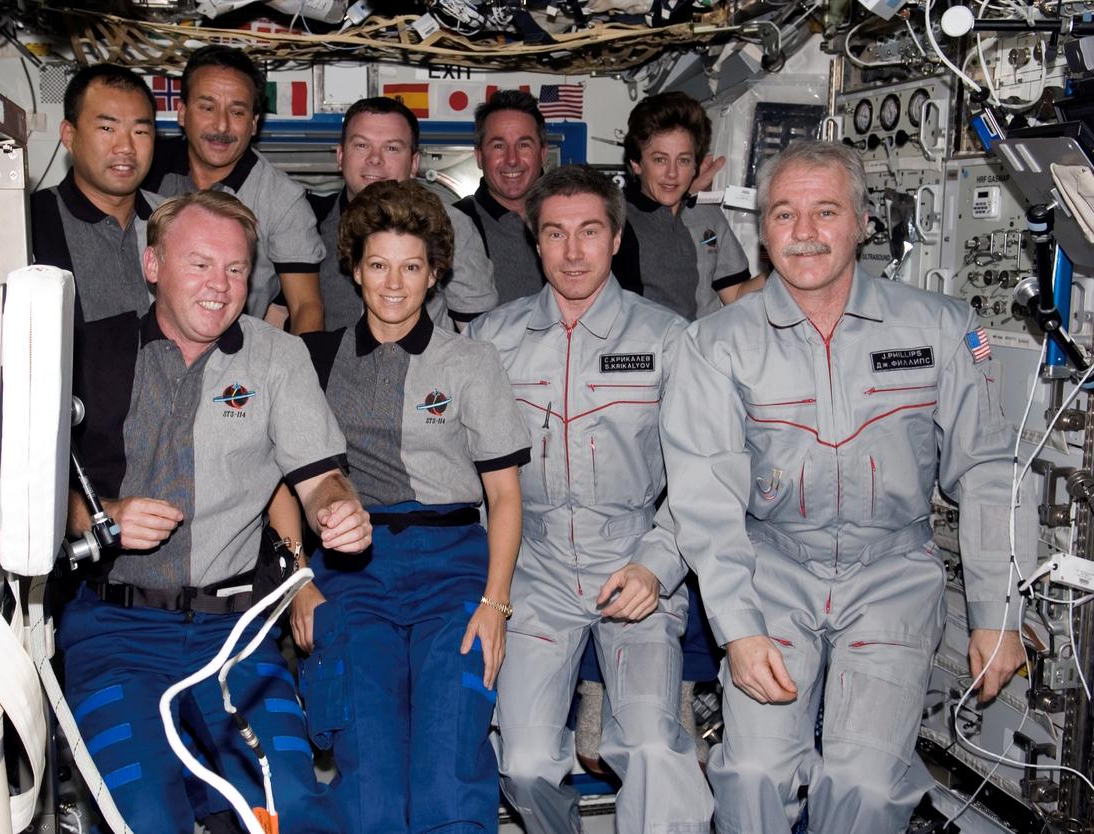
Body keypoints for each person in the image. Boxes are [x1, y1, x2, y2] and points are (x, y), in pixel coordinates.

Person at [661, 140, 1038, 834]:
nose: (804, 233)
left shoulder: (940, 329)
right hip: (772, 568)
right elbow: (704, 498)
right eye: (784, 214)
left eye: (825, 211)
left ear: (862, 222)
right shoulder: (716, 345)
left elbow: (988, 470)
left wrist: (998, 612)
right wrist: (739, 630)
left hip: (891, 574)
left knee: (863, 784)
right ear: (762, 231)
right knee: (751, 778)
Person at [61, 189, 371, 833]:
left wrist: (339, 510)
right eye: (200, 264)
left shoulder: (277, 358)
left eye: (235, 268)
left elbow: (320, 479)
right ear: (153, 267)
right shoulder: (89, 353)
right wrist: (101, 515)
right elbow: (33, 484)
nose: (220, 285)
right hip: (116, 633)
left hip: (235, 636)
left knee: (290, 805)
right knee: (143, 817)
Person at [467, 165, 713, 834]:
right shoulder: (491, 341)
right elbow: (474, 479)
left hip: (631, 561)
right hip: (536, 569)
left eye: (589, 232)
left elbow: (703, 478)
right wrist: (490, 586)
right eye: (555, 234)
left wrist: (657, 566)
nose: (572, 252)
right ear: (534, 241)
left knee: (654, 748)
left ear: (614, 238)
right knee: (520, 763)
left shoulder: (667, 340)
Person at [289, 178, 529, 832]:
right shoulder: (312, 360)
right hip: (353, 574)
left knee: (449, 772)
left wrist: (496, 602)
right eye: (378, 266)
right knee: (370, 778)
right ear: (355, 270)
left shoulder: (471, 363)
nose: (394, 284)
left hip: (453, 569)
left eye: (411, 267)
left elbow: (505, 495)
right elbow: (281, 484)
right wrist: (299, 584)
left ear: (434, 274)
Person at [143, 45, 325, 333]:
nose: (221, 125)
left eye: (237, 112)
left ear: (254, 123)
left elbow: (306, 306)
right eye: (207, 107)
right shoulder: (144, 171)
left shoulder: (281, 199)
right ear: (182, 112)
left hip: (236, 359)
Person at [309, 96, 497, 332]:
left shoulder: (451, 225)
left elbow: (478, 331)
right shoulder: (309, 223)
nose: (375, 159)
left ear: (414, 162)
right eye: (362, 145)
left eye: (391, 148)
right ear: (340, 156)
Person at [31, 63, 162, 322]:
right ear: (69, 136)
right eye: (107, 129)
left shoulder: (175, 221)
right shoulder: (30, 224)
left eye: (140, 131)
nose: (126, 147)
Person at [614, 91, 756, 319]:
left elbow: (737, 295)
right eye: (660, 159)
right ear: (637, 163)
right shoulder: (614, 219)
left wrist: (781, 267)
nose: (672, 173)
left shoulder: (707, 216)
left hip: (703, 349)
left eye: (683, 160)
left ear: (695, 167)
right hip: (642, 350)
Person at [453, 89, 548, 304]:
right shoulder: (451, 225)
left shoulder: (573, 219)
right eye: (498, 146)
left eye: (524, 145)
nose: (512, 159)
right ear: (479, 156)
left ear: (542, 153)